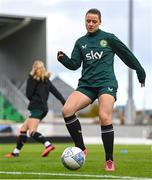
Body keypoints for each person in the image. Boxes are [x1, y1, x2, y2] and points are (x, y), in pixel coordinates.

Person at [57, 8, 146, 171]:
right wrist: (63, 59)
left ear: (100, 22)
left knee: (104, 117)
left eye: (94, 21)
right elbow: (74, 65)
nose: (90, 24)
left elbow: (127, 55)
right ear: (85, 21)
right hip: (86, 85)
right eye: (88, 21)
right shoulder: (80, 42)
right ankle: (81, 148)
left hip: (106, 83)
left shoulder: (108, 38)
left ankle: (109, 160)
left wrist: (140, 71)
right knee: (66, 110)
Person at [5, 60, 66, 158]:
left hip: (36, 107)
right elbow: (57, 93)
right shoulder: (46, 81)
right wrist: (65, 103)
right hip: (43, 108)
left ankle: (47, 144)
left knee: (32, 131)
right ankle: (15, 152)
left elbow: (29, 95)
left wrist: (30, 77)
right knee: (23, 129)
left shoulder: (32, 79)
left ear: (34, 68)